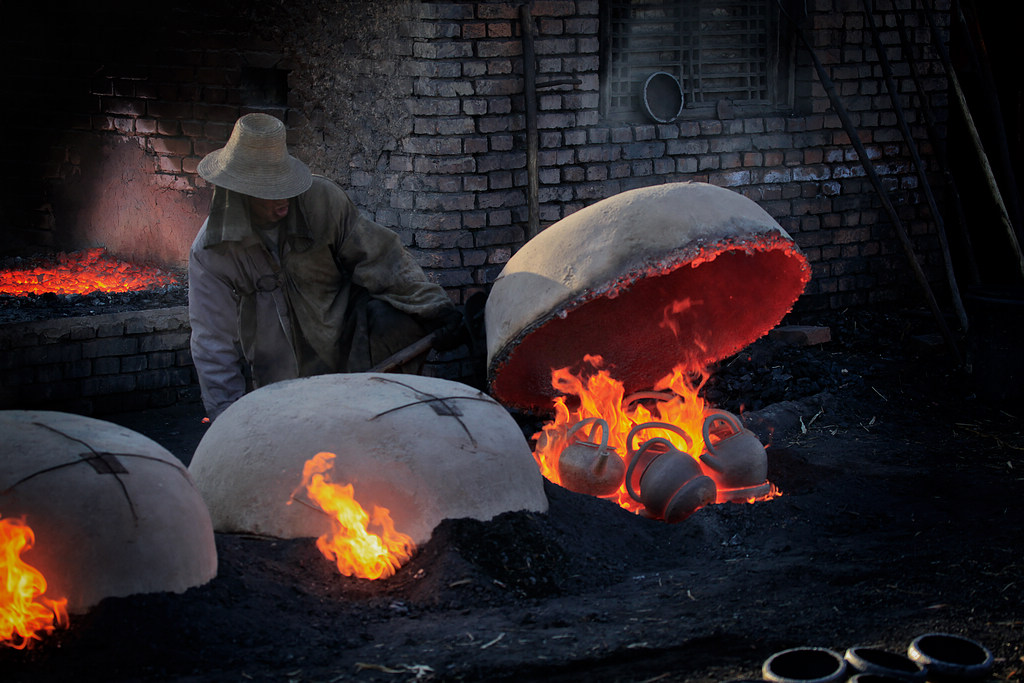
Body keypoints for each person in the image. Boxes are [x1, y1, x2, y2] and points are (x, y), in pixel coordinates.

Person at [188, 113, 463, 421]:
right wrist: (227, 419)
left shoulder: (322, 201)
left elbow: (383, 258)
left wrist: (436, 308)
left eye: (284, 184)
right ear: (240, 192)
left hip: (348, 341)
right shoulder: (212, 252)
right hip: (280, 374)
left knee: (394, 323)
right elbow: (213, 343)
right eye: (268, 191)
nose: (282, 200)